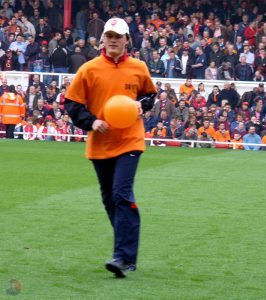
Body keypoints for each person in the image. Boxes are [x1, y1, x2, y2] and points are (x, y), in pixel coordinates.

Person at [64, 18, 157, 278]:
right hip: (100, 144)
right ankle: (127, 255)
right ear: (102, 39)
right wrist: (91, 122)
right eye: (109, 36)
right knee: (110, 201)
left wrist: (142, 105)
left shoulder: (139, 67)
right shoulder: (89, 69)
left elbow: (150, 95)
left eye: (119, 36)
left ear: (127, 40)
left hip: (130, 141)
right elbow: (72, 104)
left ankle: (122, 256)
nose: (114, 40)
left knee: (121, 194)